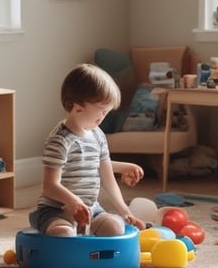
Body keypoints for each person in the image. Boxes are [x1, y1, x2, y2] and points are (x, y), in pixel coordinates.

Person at [29, 63, 146, 237]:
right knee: (64, 233)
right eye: (101, 111)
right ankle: (68, 231)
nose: (103, 117)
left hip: (91, 209)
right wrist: (73, 202)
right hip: (55, 211)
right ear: (78, 108)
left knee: (116, 228)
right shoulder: (60, 140)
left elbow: (104, 171)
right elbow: (49, 186)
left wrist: (125, 211)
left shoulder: (97, 135)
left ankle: (83, 230)